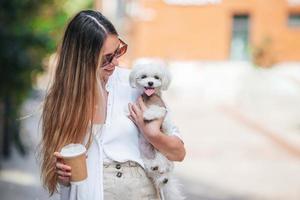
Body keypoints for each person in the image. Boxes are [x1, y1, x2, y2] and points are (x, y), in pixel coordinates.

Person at [39, 10, 185, 200]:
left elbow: (179, 153)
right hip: (90, 192)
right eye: (107, 57)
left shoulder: (136, 83)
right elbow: (59, 176)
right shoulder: (62, 100)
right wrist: (63, 175)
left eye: (119, 50)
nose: (116, 62)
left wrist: (153, 134)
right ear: (83, 60)